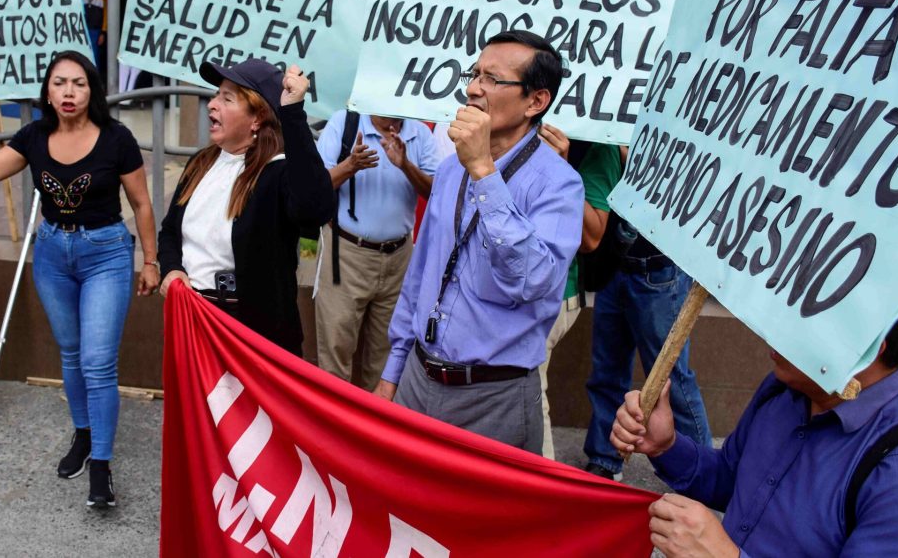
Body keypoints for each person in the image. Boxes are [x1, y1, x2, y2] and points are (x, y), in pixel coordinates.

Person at [611, 289, 898, 557]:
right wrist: (667, 446)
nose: (775, 325)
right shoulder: (785, 392)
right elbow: (731, 480)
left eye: (805, 311)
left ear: (866, 344)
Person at [0, 50, 159, 510]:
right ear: (47, 90)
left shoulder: (116, 138)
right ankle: (83, 436)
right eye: (60, 83)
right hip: (50, 253)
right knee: (71, 353)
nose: (69, 92)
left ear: (92, 91)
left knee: (98, 361)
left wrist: (150, 260)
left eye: (79, 83)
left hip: (105, 252)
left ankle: (102, 466)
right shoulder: (33, 135)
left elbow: (142, 204)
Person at [374, 30, 583, 455]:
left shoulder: (560, 185)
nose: (472, 88)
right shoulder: (451, 170)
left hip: (494, 400)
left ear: (535, 102)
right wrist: (393, 372)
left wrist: (485, 172)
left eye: (492, 79)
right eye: (474, 74)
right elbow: (422, 275)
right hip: (418, 378)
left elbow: (532, 281)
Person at [157, 59, 333, 356]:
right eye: (216, 95)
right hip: (193, 321)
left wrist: (292, 112)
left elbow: (315, 207)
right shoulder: (200, 163)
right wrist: (172, 269)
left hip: (252, 335)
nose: (212, 104)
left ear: (256, 119)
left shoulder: (276, 174)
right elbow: (170, 231)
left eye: (227, 98)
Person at [580, 215, 712, 480]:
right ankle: (605, 457)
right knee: (607, 371)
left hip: (660, 269)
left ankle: (702, 471)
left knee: (672, 379)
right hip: (614, 263)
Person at [315, 111, 437, 389]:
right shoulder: (343, 124)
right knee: (335, 349)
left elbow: (436, 191)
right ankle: (333, 429)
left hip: (398, 259)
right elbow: (315, 185)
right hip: (346, 255)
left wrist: (405, 164)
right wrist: (350, 166)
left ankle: (373, 429)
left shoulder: (420, 133)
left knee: (388, 358)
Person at [534, 123, 624, 460]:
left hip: (553, 294)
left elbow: (590, 238)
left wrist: (562, 168)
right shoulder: (512, 123)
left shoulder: (601, 147)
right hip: (502, 288)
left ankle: (538, 492)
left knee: (528, 392)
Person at [83, 0, 107, 74]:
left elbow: (107, 14)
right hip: (83, 30)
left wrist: (103, 32)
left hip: (96, 31)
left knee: (95, 58)